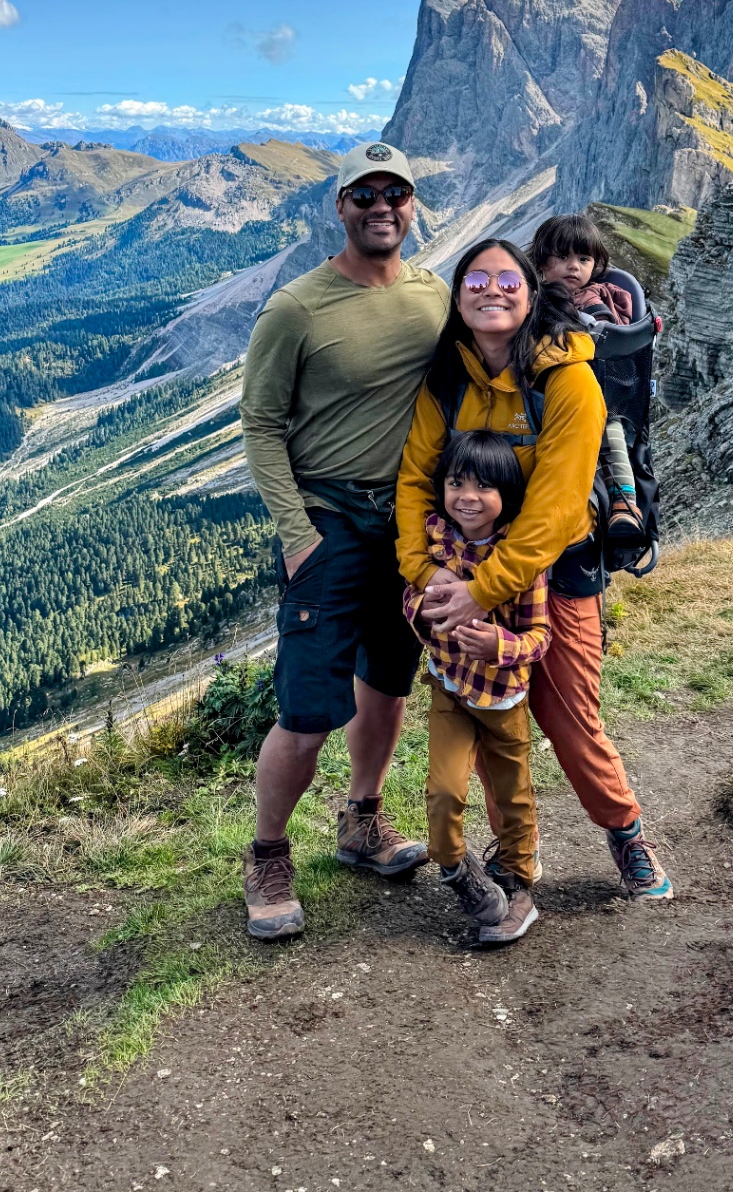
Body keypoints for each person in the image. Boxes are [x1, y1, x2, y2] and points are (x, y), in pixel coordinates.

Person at [397, 240, 671, 901]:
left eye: (506, 280)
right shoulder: (449, 376)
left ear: (529, 291)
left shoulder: (569, 379)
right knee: (493, 712)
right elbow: (414, 479)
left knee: (569, 717)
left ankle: (626, 832)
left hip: (560, 568)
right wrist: (422, 572)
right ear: (458, 297)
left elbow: (552, 512)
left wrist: (476, 593)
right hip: (466, 571)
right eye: (476, 280)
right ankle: (514, 854)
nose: (491, 290)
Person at [239, 140, 450, 940]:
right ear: (340, 207)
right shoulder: (297, 307)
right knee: (306, 709)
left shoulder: (435, 294)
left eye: (395, 193)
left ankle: (362, 819)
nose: (381, 207)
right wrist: (297, 536)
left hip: (404, 526)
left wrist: (604, 311)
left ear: (413, 204)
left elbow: (510, 331)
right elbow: (259, 423)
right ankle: (265, 855)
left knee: (388, 682)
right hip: (326, 522)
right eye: (364, 195)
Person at [403, 429, 549, 946]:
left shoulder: (520, 561)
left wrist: (500, 647)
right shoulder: (437, 542)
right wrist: (423, 610)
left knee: (514, 798)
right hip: (450, 688)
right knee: (443, 790)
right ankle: (456, 870)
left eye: (484, 486)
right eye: (456, 482)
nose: (467, 495)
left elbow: (540, 637)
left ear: (506, 495)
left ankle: (518, 881)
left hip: (504, 698)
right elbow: (410, 598)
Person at [529, 214, 643, 547]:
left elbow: (603, 332)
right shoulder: (530, 296)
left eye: (583, 259)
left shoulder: (592, 299)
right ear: (542, 260)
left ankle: (624, 503)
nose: (573, 267)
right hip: (541, 392)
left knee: (610, 430)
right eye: (562, 257)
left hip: (597, 391)